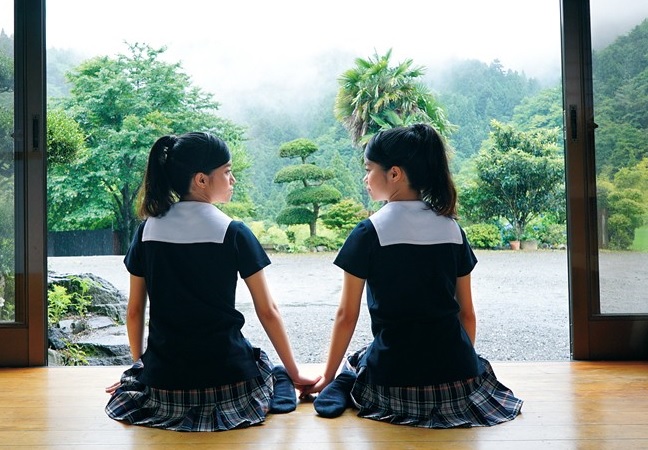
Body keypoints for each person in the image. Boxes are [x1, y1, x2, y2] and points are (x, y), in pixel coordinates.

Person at [304, 124, 523, 427]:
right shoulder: (452, 229)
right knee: (376, 353)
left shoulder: (369, 232)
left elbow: (346, 315)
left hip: (395, 380)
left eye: (369, 170)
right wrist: (458, 369)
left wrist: (326, 377)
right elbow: (467, 315)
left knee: (361, 358)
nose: (366, 179)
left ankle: (342, 381)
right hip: (458, 382)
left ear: (394, 174)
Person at [104, 131, 319, 431]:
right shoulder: (233, 232)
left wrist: (143, 369)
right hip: (227, 382)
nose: (233, 181)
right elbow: (268, 310)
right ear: (201, 180)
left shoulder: (146, 232)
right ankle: (284, 379)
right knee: (263, 362)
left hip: (165, 387)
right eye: (228, 172)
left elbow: (134, 311)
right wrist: (297, 373)